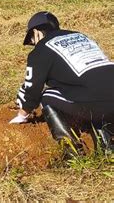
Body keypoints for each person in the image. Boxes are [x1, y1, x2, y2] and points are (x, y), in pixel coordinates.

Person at [10, 11, 114, 156]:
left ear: (36, 32)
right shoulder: (82, 37)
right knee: (91, 92)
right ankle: (107, 147)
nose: (33, 43)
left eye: (31, 39)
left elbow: (32, 89)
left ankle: (71, 152)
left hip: (94, 103)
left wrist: (22, 115)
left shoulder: (41, 49)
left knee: (47, 96)